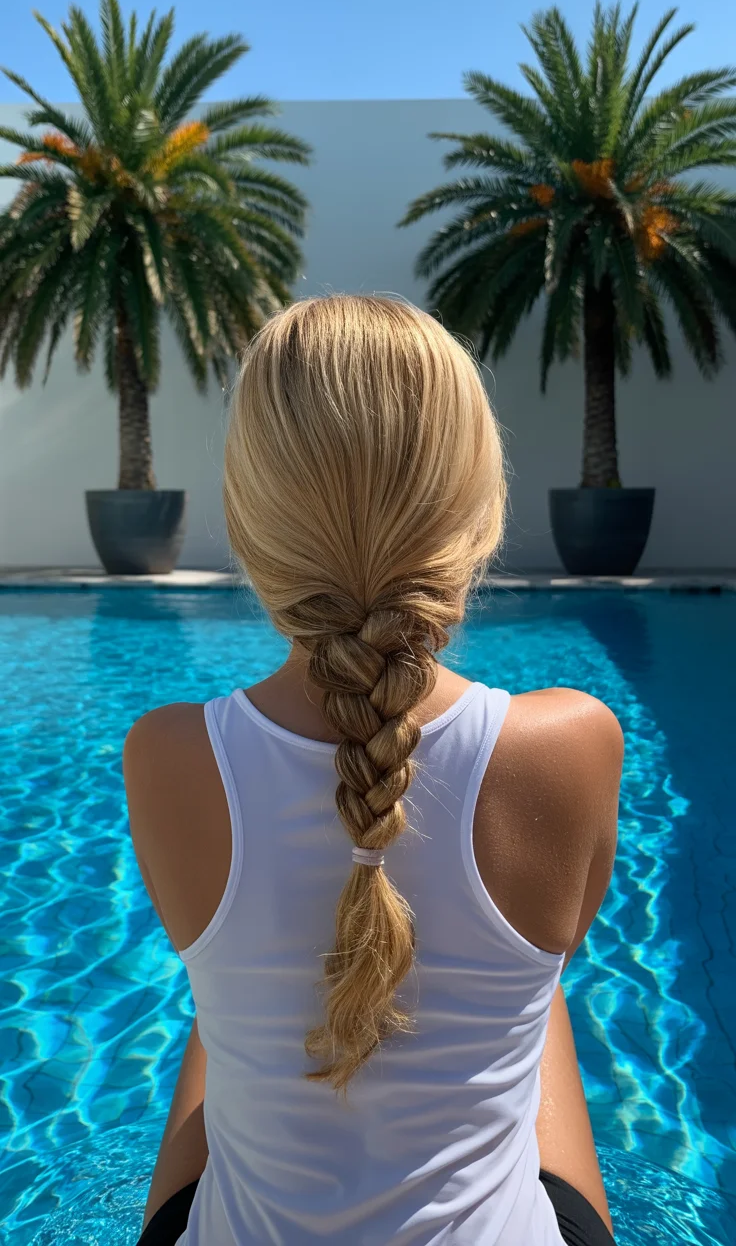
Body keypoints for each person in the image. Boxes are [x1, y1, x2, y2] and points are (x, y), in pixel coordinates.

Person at [124, 295, 622, 1246]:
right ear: (480, 509)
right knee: (537, 985)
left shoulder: (169, 755)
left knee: (216, 1002)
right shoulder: (571, 744)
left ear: (248, 522)